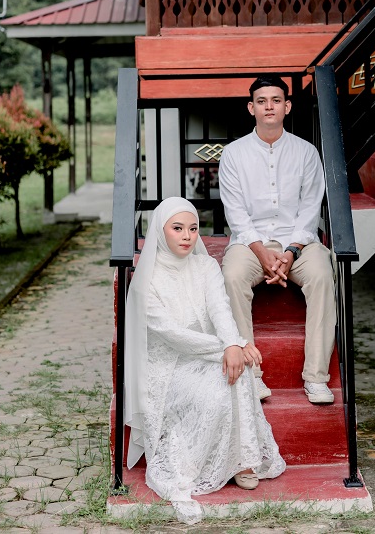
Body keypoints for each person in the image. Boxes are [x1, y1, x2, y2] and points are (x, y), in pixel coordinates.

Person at [124, 196, 285, 526]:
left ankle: (243, 460)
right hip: (169, 367)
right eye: (177, 228)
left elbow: (220, 310)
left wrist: (233, 344)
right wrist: (232, 346)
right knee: (224, 377)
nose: (187, 236)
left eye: (193, 228)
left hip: (209, 356)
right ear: (160, 231)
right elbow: (172, 335)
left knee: (236, 371)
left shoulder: (206, 267)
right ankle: (205, 462)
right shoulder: (146, 281)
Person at [219, 74, 336, 405]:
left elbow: (310, 208)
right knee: (232, 276)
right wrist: (262, 253)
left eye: (275, 100)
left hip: (297, 241)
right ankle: (251, 376)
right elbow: (236, 214)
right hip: (250, 242)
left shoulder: (306, 152)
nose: (268, 107)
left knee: (322, 275)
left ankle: (316, 378)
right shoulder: (233, 154)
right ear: (251, 108)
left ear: (287, 106)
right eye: (261, 101)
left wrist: (290, 252)